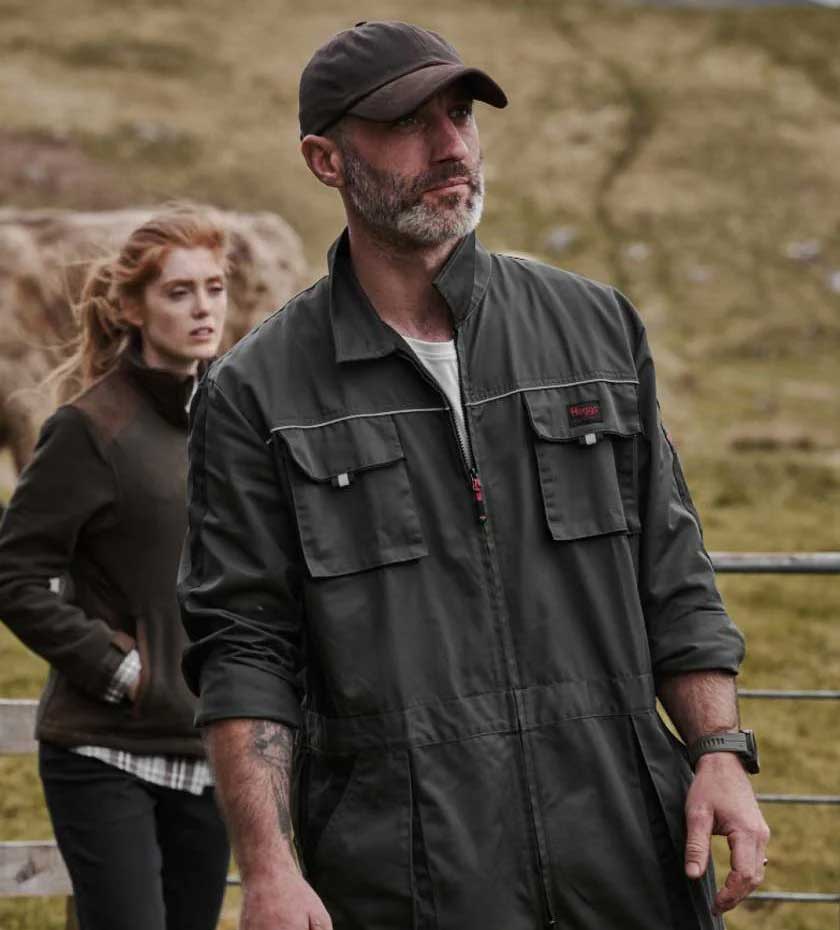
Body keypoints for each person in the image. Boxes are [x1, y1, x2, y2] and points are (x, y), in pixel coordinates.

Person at [178, 21, 769, 930]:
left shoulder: (595, 329)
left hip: (631, 853)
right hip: (408, 880)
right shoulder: (257, 392)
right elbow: (244, 648)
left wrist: (720, 753)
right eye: (410, 123)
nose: (451, 145)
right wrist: (266, 865)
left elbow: (673, 573)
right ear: (324, 160)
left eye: (460, 115)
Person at [0, 207, 231, 930]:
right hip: (106, 751)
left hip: (209, 751)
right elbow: (12, 575)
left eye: (215, 288)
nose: (203, 308)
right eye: (179, 291)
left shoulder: (232, 424)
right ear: (131, 307)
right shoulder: (90, 429)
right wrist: (119, 671)